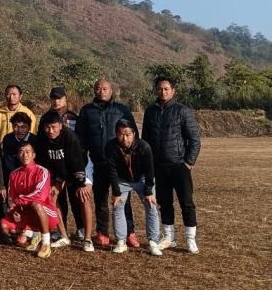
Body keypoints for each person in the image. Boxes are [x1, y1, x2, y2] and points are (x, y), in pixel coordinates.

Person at [142, 76, 202, 254]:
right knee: (165, 203)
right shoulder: (150, 112)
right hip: (158, 167)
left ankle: (190, 239)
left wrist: (188, 162)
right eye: (160, 88)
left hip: (178, 165)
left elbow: (195, 139)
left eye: (166, 89)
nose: (163, 91)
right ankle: (169, 237)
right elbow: (145, 141)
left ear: (173, 91)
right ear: (156, 90)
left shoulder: (182, 111)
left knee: (187, 203)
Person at [77, 78, 138, 247]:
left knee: (123, 200)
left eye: (105, 88)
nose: (101, 91)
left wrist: (130, 157)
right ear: (94, 91)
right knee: (101, 200)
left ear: (111, 91)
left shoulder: (121, 110)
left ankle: (129, 233)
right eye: (98, 88)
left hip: (119, 163)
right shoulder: (87, 111)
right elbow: (80, 137)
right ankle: (102, 233)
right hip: (97, 162)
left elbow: (134, 135)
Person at [35, 110, 94, 251]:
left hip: (78, 169)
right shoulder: (42, 139)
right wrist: (55, 181)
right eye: (47, 127)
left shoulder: (70, 137)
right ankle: (64, 236)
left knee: (84, 198)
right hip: (59, 172)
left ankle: (88, 239)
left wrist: (80, 183)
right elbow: (44, 163)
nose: (50, 131)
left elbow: (77, 162)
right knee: (52, 198)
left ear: (61, 126)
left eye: (54, 127)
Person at [105, 119, 163, 256]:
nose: (124, 138)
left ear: (134, 134)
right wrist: (116, 192)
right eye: (121, 134)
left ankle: (153, 242)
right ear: (116, 134)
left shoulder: (144, 147)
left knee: (151, 205)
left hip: (142, 179)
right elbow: (111, 171)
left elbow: (150, 171)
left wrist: (148, 191)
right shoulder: (110, 147)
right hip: (122, 180)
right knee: (118, 205)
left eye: (128, 134)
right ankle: (120, 241)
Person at [0, 140, 58, 259]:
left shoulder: (42, 171)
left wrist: (19, 200)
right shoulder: (13, 174)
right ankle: (31, 234)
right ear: (17, 155)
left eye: (27, 152)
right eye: (21, 152)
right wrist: (14, 210)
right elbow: (11, 198)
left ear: (33, 155)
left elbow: (40, 195)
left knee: (36, 204)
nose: (24, 155)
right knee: (3, 225)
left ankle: (46, 243)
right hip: (25, 214)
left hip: (45, 213)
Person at [2, 112, 36, 176]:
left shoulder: (35, 140)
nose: (20, 130)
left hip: (32, 174)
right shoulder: (8, 139)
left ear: (29, 127)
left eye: (23, 127)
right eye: (16, 126)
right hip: (14, 174)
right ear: (12, 126)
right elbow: (8, 162)